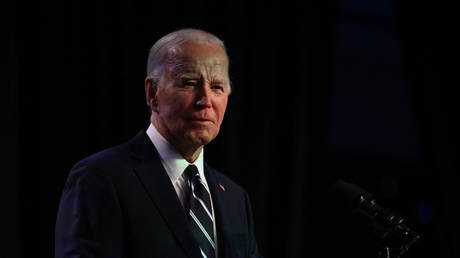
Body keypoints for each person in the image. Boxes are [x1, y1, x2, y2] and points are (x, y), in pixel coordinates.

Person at [55, 28, 263, 258]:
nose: (205, 101)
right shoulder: (100, 178)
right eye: (190, 83)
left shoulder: (235, 198)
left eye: (217, 87)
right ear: (153, 93)